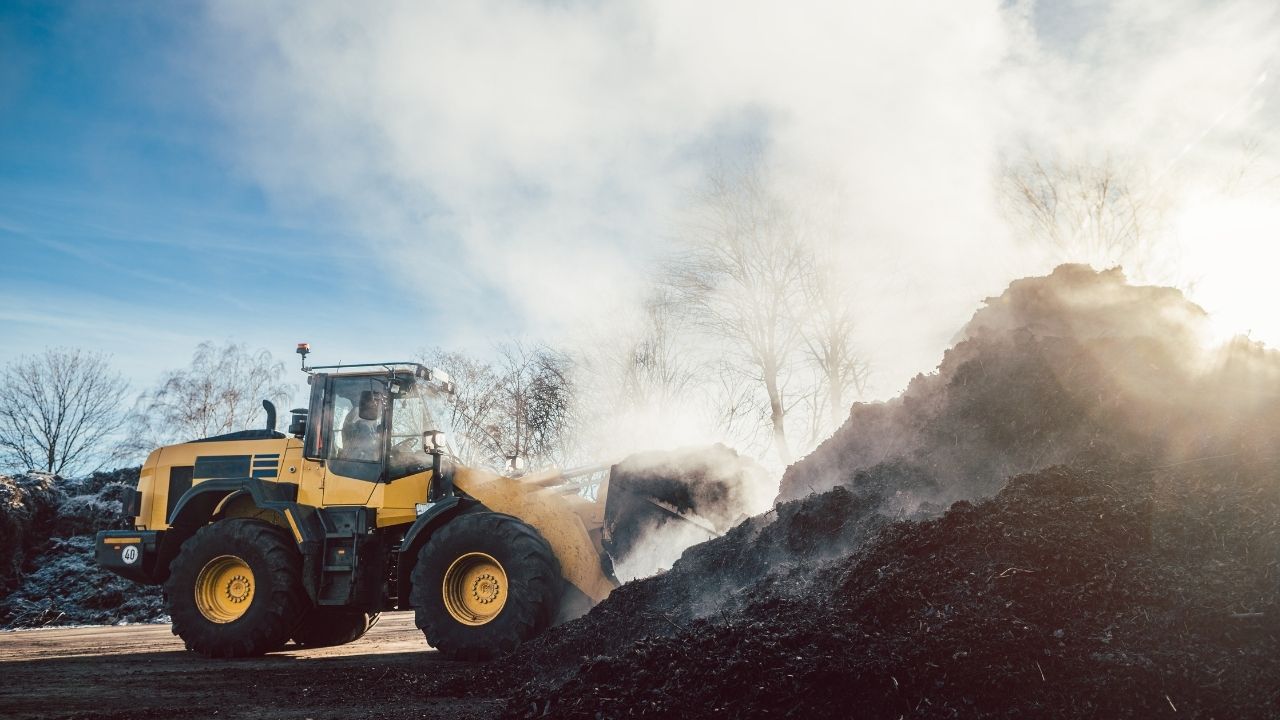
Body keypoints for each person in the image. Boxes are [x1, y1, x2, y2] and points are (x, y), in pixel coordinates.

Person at [341, 390, 384, 461]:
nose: (380, 406)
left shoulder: (372, 425)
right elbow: (367, 449)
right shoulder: (360, 423)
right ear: (370, 403)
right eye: (377, 402)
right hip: (360, 464)